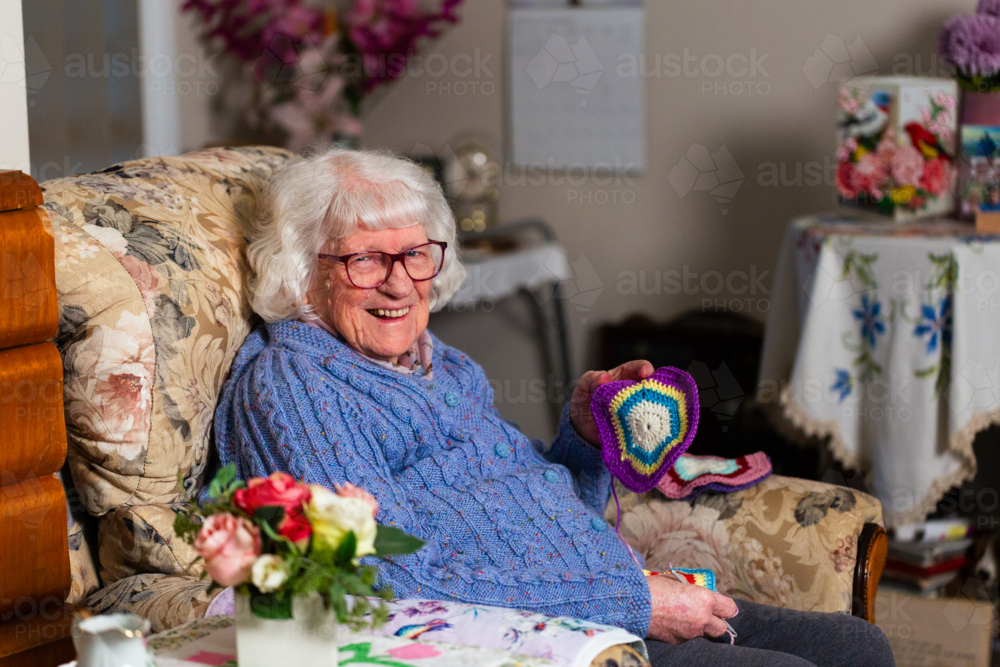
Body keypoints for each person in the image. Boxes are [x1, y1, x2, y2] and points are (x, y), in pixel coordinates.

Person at [213, 147, 895, 667]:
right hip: (544, 641)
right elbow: (384, 574)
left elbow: (533, 501)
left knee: (859, 648)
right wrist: (636, 603)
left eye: (416, 254)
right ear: (302, 271)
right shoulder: (293, 385)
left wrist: (583, 433)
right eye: (365, 259)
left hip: (605, 598)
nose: (399, 281)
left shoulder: (438, 361)